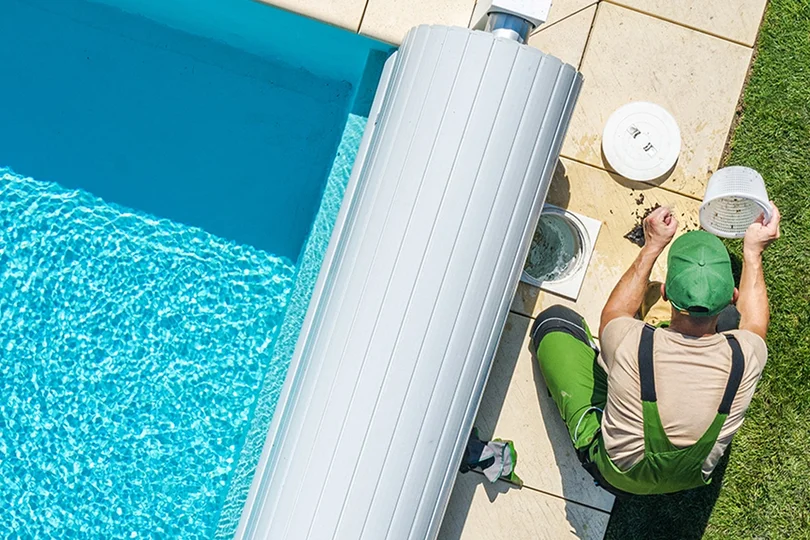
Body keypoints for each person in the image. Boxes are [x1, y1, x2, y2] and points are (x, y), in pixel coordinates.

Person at [529, 203, 781, 495]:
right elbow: (755, 321)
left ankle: (590, 442)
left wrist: (653, 245)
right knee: (729, 322)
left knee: (555, 322)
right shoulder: (746, 356)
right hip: (691, 476)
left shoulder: (632, 342)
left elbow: (615, 312)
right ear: (733, 296)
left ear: (666, 294)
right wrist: (753, 252)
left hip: (618, 475)